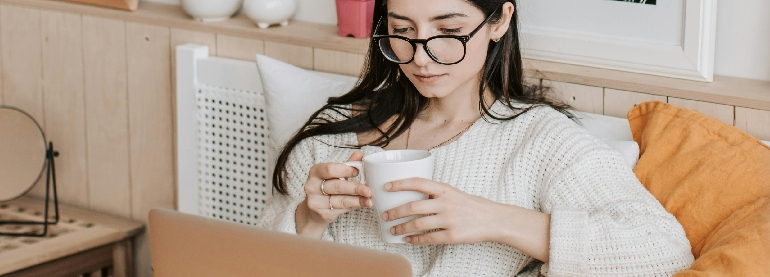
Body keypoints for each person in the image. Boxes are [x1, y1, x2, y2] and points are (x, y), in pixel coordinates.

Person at [257, 0, 694, 276]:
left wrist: (492, 220)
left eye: (448, 33)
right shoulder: (332, 137)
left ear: (500, 20)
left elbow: (663, 250)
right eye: (403, 31)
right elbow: (253, 262)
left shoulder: (539, 141)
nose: (422, 56)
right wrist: (306, 222)